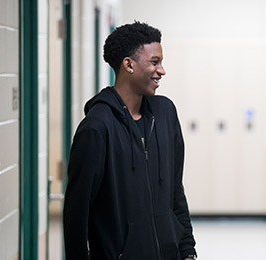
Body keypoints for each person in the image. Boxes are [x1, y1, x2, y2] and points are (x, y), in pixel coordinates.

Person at [63, 21, 197, 260]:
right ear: (129, 65)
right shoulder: (96, 128)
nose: (162, 70)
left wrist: (187, 250)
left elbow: (175, 191)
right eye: (155, 62)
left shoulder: (165, 114)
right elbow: (76, 214)